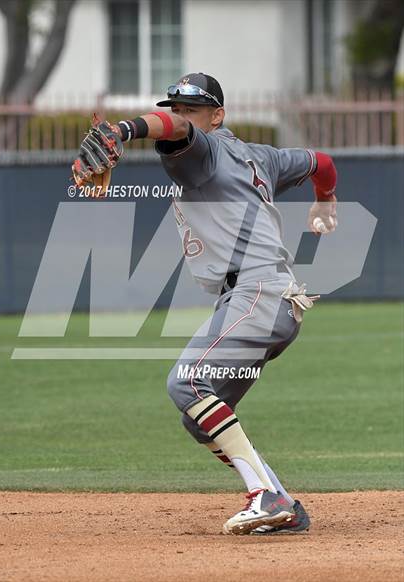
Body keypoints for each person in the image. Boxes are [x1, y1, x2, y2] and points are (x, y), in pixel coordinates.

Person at [72, 73, 337, 535]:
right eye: (176, 106)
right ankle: (283, 504)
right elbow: (322, 161)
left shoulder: (204, 151)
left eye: (192, 109)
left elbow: (172, 130)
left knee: (186, 382)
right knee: (199, 418)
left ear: (218, 116)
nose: (181, 116)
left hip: (258, 292)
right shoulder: (263, 156)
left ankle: (265, 495)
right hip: (264, 299)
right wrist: (326, 200)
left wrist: (125, 130)